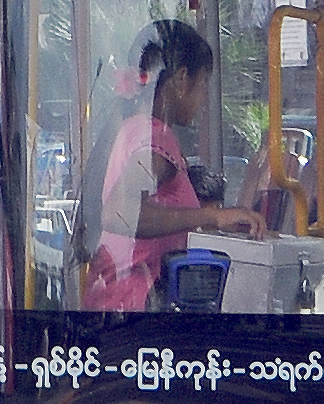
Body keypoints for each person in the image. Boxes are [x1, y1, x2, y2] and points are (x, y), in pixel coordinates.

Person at [90, 20, 240, 309]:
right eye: (203, 84)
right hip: (136, 310)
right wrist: (211, 217)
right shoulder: (155, 136)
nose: (203, 99)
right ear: (182, 79)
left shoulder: (130, 128)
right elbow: (120, 213)